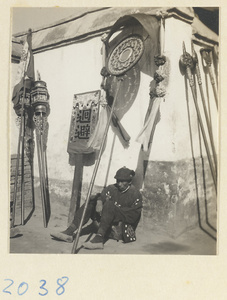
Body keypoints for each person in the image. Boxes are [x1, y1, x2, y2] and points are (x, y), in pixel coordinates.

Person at [50, 167, 143, 250]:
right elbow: (101, 196)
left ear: (129, 181)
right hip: (103, 223)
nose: (119, 184)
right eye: (118, 180)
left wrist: (113, 210)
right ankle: (70, 231)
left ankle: (99, 239)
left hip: (117, 230)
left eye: (123, 181)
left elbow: (133, 216)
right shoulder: (111, 188)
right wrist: (99, 201)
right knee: (91, 202)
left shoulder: (135, 194)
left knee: (109, 205)